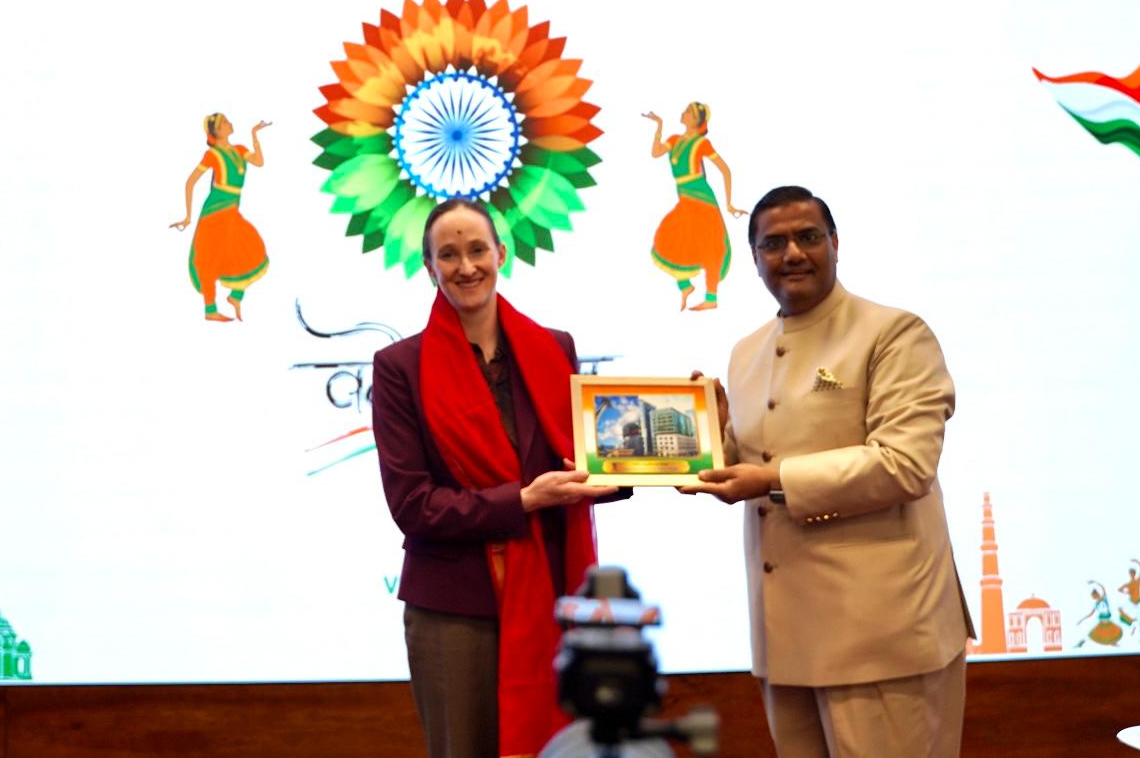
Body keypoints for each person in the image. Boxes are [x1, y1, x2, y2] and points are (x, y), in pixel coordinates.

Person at [684, 185, 974, 758]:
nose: (792, 253)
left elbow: (904, 465)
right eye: (773, 243)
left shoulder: (894, 333)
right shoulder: (746, 352)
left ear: (836, 245)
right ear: (755, 260)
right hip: (785, 640)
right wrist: (713, 440)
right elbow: (754, 462)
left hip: (882, 636)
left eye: (808, 237)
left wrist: (769, 479)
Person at [371, 197, 620, 758]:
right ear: (429, 267)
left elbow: (583, 464)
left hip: (551, 592)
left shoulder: (555, 348)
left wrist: (667, 449)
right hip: (455, 611)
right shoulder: (399, 367)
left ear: (501, 253)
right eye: (449, 254)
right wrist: (524, 500)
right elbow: (414, 506)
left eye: (477, 249)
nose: (466, 267)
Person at [643, 102, 746, 311]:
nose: (683, 112)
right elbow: (655, 153)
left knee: (709, 245)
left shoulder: (702, 144)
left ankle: (711, 297)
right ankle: (685, 285)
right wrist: (659, 126)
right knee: (669, 237)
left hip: (701, 197)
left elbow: (725, 171)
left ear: (696, 120)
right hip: (685, 198)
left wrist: (729, 204)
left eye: (688, 111)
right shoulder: (674, 140)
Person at [170, 113, 271, 321]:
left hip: (232, 210)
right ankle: (210, 310)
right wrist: (188, 216)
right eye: (225, 122)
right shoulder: (212, 155)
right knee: (210, 258)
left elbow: (259, 162)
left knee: (250, 247)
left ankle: (235, 296)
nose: (230, 123)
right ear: (216, 131)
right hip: (215, 211)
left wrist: (254, 135)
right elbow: (190, 182)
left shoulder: (240, 150)